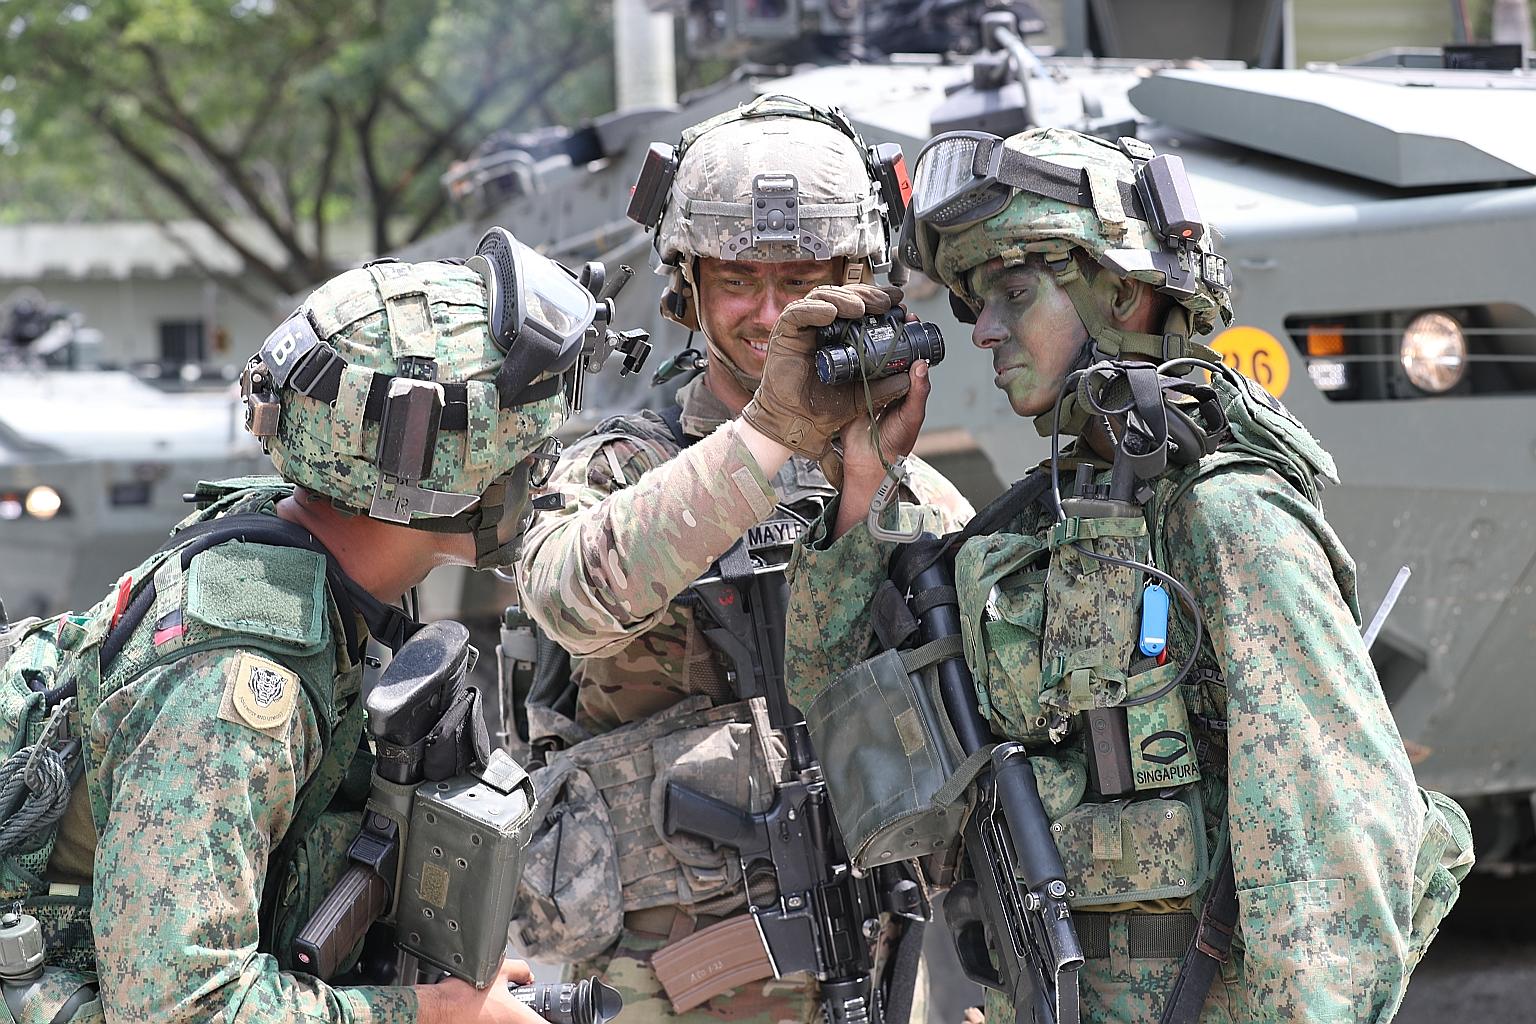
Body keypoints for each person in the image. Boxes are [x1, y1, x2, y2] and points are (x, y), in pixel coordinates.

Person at [771, 127, 1468, 1023]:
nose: (981, 329)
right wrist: (865, 484)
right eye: (976, 300)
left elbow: (1331, 857)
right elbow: (840, 714)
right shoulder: (1035, 529)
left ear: (1125, 293)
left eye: (1015, 293)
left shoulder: (1226, 518)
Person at [0, 255, 577, 1023]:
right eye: (518, 449)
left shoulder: (305, 566)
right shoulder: (238, 681)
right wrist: (428, 1018)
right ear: (425, 467)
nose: (536, 471)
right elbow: (182, 1006)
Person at [513, 94, 971, 1024]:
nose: (771, 311)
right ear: (685, 288)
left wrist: (861, 489)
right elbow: (569, 598)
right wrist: (767, 436)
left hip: (867, 971)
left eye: (804, 276)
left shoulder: (908, 487)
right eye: (737, 281)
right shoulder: (622, 468)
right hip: (659, 980)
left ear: (861, 280)